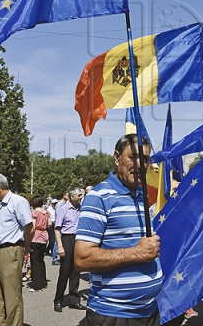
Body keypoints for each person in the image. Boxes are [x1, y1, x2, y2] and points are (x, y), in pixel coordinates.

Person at [75, 134, 163, 325]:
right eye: (133, 157)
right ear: (116, 158)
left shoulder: (141, 195)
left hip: (149, 312)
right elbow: (82, 259)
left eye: (145, 159)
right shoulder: (98, 197)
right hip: (115, 314)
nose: (140, 165)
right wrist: (136, 253)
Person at [0, 173, 34, 326]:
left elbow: (30, 228)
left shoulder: (18, 202)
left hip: (11, 250)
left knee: (12, 297)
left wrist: (24, 248)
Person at [53, 187, 85, 312]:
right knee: (65, 272)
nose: (81, 197)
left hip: (78, 240)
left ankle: (74, 299)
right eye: (79, 195)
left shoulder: (81, 209)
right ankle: (58, 300)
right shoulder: (63, 209)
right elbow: (57, 229)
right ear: (72, 197)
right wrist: (60, 246)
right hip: (67, 239)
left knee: (76, 270)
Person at [29, 195, 50, 292]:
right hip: (44, 235)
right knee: (41, 260)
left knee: (35, 261)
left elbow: (33, 226)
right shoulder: (46, 213)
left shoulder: (34, 213)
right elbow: (50, 224)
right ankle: (43, 281)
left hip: (36, 236)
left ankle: (37, 284)